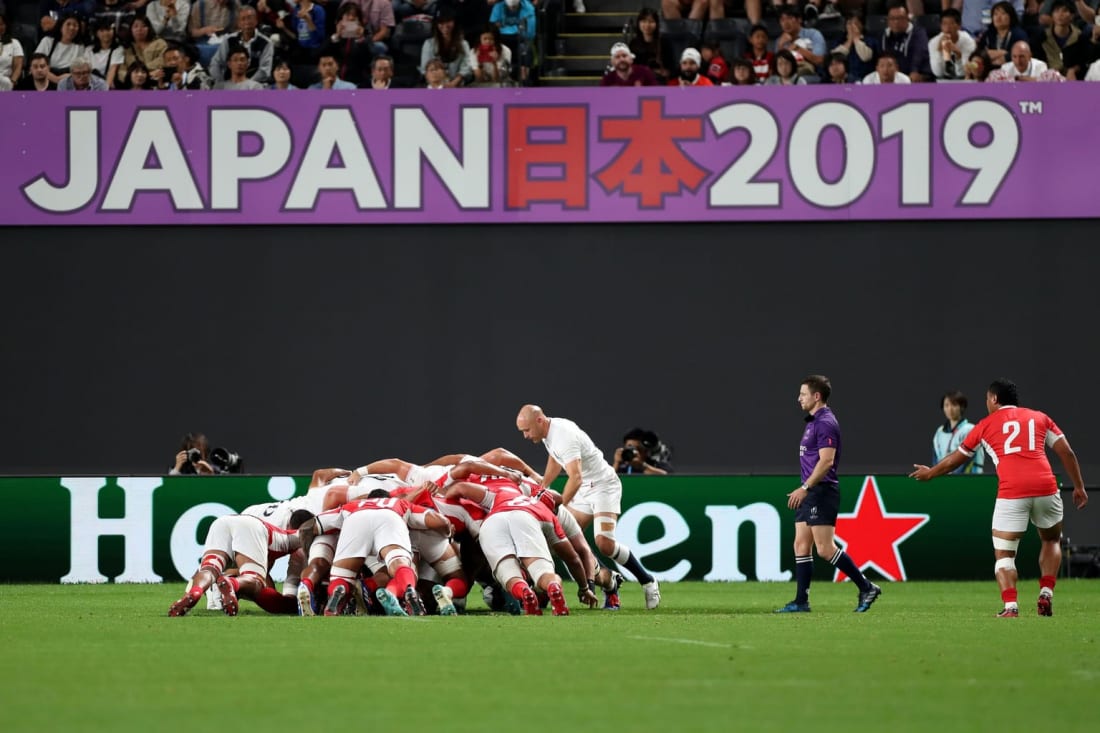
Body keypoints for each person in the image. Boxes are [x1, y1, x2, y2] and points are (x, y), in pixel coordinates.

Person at [910, 378, 1088, 617]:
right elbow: (1066, 451)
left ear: (994, 399)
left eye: (987, 398)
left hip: (1012, 492)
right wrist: (1079, 486)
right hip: (1046, 488)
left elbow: (957, 459)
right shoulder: (1039, 417)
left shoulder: (984, 425)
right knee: (1051, 540)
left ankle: (1011, 607)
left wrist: (931, 473)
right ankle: (1046, 591)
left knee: (1004, 554)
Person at [516, 404, 661, 610]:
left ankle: (647, 581)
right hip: (584, 489)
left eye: (527, 430)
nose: (526, 436)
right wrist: (543, 487)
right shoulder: (550, 432)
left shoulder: (564, 435)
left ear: (539, 421)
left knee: (604, 544)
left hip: (603, 486)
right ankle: (609, 582)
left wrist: (557, 507)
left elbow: (575, 477)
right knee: (563, 538)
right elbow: (556, 460)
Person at [776, 375, 882, 614]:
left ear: (817, 396)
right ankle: (801, 601)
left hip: (821, 491)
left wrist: (805, 488)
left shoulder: (825, 422)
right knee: (801, 545)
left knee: (824, 548)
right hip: (810, 490)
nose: (798, 398)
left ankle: (866, 587)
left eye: (803, 394)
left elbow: (826, 462)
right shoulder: (813, 422)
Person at [168, 510, 313, 617]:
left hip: (223, 521)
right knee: (255, 579)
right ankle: (232, 584)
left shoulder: (277, 513)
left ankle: (195, 591)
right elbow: (307, 532)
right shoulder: (296, 535)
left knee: (210, 568)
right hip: (253, 527)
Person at [932, 390, 984, 473]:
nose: (950, 409)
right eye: (946, 405)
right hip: (943, 479)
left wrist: (955, 476)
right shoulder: (939, 431)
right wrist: (935, 473)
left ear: (962, 407)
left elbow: (968, 458)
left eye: (954, 405)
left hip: (966, 479)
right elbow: (935, 457)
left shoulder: (970, 429)